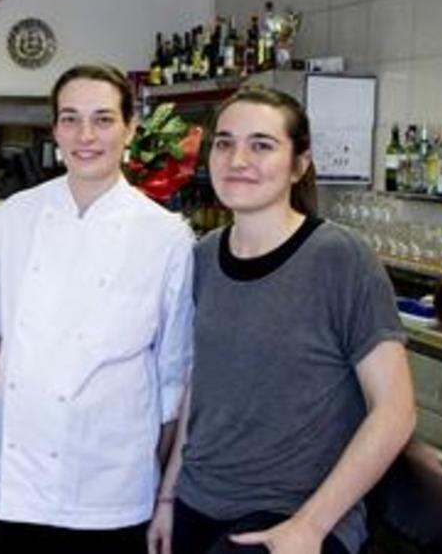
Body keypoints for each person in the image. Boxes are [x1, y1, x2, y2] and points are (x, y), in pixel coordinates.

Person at [147, 86, 416, 554]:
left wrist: (311, 526)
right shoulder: (204, 256)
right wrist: (168, 496)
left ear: (300, 163)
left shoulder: (340, 257)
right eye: (225, 143)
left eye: (262, 145)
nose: (237, 159)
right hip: (197, 502)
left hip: (290, 516)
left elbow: (395, 411)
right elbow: (200, 389)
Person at [0, 63, 195, 553]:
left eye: (102, 119)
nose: (85, 135)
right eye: (70, 119)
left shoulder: (166, 236)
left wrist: (157, 487)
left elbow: (172, 375)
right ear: (54, 129)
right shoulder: (13, 218)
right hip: (19, 483)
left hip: (113, 487)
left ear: (130, 128)